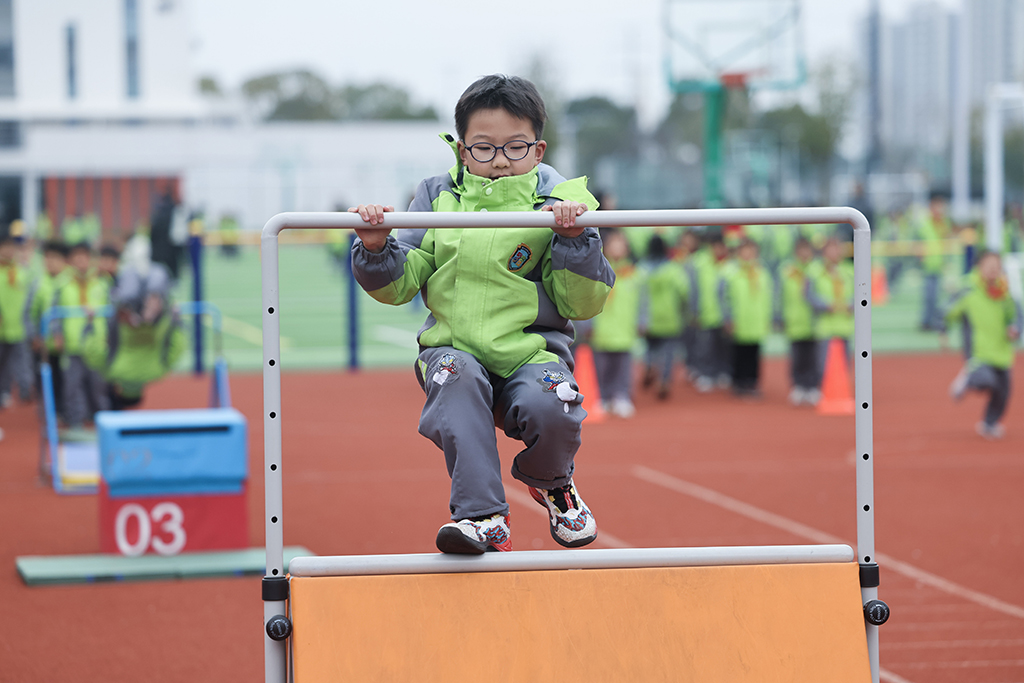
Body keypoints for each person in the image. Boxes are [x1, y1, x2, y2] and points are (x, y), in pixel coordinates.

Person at [349, 75, 614, 555]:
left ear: (538, 150)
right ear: (462, 149)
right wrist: (376, 248)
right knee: (456, 379)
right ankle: (483, 516)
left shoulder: (562, 204)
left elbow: (582, 304)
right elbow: (400, 284)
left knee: (554, 405)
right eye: (485, 148)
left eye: (515, 147)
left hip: (529, 350)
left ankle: (552, 481)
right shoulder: (437, 196)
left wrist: (575, 242)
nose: (500, 161)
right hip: (454, 347)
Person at [83, 264, 184, 410]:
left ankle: (151, 298)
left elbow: (177, 347)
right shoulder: (111, 373)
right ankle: (137, 307)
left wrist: (176, 321)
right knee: (128, 283)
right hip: (124, 323)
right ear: (119, 390)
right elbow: (92, 350)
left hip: (155, 326)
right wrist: (90, 323)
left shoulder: (158, 373)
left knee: (158, 276)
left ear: (141, 392)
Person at [944, 251, 1022, 439]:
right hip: (977, 351)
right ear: (979, 267)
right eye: (989, 266)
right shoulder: (968, 290)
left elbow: (1016, 316)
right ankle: (968, 378)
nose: (993, 270)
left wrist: (1015, 329)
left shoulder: (1004, 291)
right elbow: (948, 311)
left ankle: (989, 423)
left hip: (1002, 351)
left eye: (997, 266)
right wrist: (942, 330)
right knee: (986, 380)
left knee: (1003, 392)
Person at [52, 242, 109, 427]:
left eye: (84, 257)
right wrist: (57, 334)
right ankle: (75, 421)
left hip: (97, 344)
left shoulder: (102, 283)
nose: (81, 262)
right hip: (72, 344)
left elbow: (112, 314)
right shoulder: (62, 284)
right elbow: (55, 313)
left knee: (97, 386)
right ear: (70, 261)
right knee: (72, 386)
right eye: (76, 258)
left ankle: (101, 422)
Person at [591, 228, 642, 417]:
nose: (617, 248)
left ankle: (621, 396)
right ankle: (603, 397)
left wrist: (643, 321)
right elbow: (587, 299)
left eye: (621, 244)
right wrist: (586, 324)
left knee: (623, 367)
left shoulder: (634, 273)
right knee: (602, 367)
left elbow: (643, 301)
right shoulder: (597, 271)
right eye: (614, 243)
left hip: (625, 328)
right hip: (601, 329)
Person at [720, 238, 772, 397]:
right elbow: (724, 297)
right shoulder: (731, 272)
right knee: (739, 353)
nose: (748, 254)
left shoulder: (761, 272)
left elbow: (768, 297)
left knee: (754, 353)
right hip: (739, 320)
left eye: (751, 251)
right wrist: (727, 317)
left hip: (757, 320)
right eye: (745, 250)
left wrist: (767, 317)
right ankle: (738, 382)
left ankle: (752, 382)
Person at [640, 234, 688, 400]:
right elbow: (684, 291)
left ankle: (649, 365)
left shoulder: (642, 269)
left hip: (649, 317)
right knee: (668, 352)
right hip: (669, 316)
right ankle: (664, 379)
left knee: (650, 347)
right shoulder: (674, 269)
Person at [777, 237, 822, 406]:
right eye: (800, 249)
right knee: (797, 357)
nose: (804, 253)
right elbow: (779, 294)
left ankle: (813, 386)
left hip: (814, 322)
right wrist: (779, 316)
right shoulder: (787, 270)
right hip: (794, 320)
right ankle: (798, 386)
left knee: (813, 357)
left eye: (806, 249)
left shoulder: (818, 269)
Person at [30, 241, 69, 416]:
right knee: (45, 378)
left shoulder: (69, 281)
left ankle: (64, 410)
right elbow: (31, 312)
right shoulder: (38, 283)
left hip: (66, 343)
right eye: (47, 258)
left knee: (65, 379)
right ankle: (48, 411)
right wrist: (35, 335)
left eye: (55, 258)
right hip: (44, 343)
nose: (51, 262)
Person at [807, 236, 854, 378]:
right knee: (824, 364)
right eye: (830, 249)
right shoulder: (814, 270)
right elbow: (809, 295)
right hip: (824, 325)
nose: (834, 252)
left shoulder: (849, 270)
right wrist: (826, 305)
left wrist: (850, 305)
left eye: (836, 249)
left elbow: (861, 293)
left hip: (845, 324)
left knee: (844, 364)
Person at [691, 230, 731, 392]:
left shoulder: (729, 264)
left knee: (724, 346)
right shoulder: (700, 263)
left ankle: (722, 372)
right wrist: (695, 310)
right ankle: (706, 374)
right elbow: (694, 289)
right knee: (705, 347)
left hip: (724, 315)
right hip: (706, 313)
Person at [0, 231, 31, 408]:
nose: (7, 251)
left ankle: (22, 389)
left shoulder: (21, 271)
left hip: (18, 326)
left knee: (18, 361)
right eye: (4, 247)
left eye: (11, 247)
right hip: (1, 326)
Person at [919, 192, 951, 330]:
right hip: (928, 265)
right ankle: (927, 321)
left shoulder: (944, 224)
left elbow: (947, 241)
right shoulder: (924, 224)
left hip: (939, 264)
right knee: (929, 296)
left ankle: (931, 321)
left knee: (936, 296)